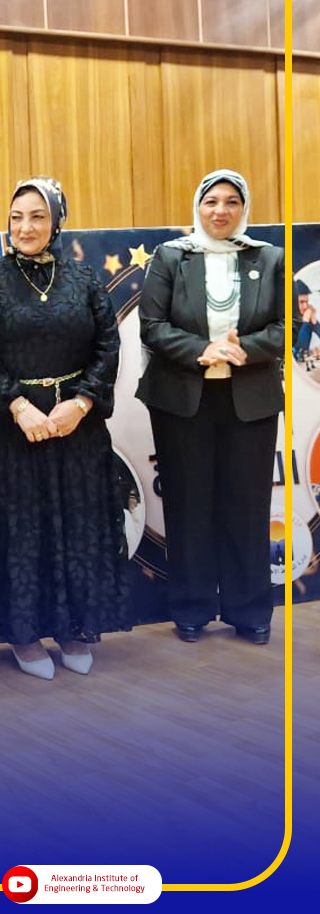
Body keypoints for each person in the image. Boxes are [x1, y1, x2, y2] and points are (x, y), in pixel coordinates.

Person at [0, 177, 131, 679]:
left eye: (37, 216)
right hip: (11, 434)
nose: (25, 227)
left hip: (75, 431)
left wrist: (81, 403)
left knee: (78, 529)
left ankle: (73, 626)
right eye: (16, 217)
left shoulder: (83, 278)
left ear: (57, 222)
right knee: (22, 534)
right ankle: (24, 633)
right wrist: (18, 407)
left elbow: (109, 345)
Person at [137, 168, 283, 645]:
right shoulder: (171, 257)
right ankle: (192, 608)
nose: (221, 211)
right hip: (182, 400)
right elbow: (152, 325)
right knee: (189, 504)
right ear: (198, 207)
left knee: (248, 507)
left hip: (250, 400)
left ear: (244, 208)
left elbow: (286, 327)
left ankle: (250, 611)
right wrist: (203, 349)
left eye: (231, 202)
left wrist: (246, 349)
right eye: (211, 201)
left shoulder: (270, 257)